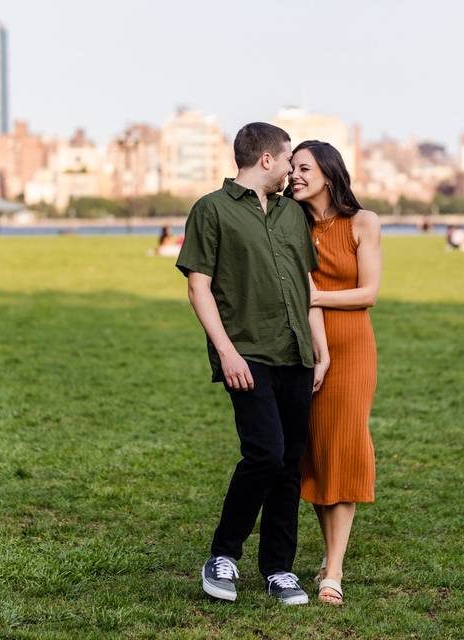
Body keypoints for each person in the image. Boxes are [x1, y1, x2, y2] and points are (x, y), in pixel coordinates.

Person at [176, 122, 330, 606]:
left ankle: (279, 569)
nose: (291, 169)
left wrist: (319, 350)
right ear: (266, 159)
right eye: (288, 159)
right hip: (246, 353)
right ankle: (223, 554)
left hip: (296, 353)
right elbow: (198, 285)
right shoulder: (212, 210)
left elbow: (306, 288)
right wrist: (225, 351)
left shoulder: (291, 214)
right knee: (264, 452)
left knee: (288, 463)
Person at [287, 140, 381, 606]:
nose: (295, 176)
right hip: (306, 348)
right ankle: (329, 554)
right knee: (320, 453)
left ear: (328, 171)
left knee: (343, 448)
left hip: (352, 348)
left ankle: (334, 572)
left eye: (304, 167)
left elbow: (368, 294)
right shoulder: (291, 225)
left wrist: (315, 295)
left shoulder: (364, 223)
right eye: (291, 169)